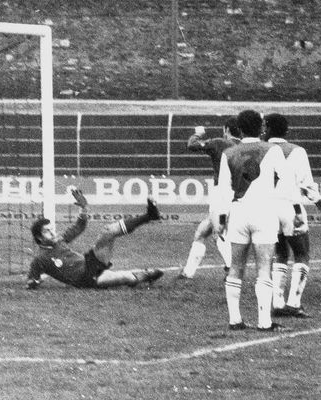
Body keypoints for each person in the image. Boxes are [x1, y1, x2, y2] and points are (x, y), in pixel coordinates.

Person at [216, 109, 287, 332]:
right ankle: (264, 321)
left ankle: (235, 319)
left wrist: (221, 218)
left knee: (235, 267)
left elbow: (223, 190)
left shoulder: (228, 153)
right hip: (264, 211)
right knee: (264, 267)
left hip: (238, 212)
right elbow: (285, 179)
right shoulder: (272, 150)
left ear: (239, 128)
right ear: (261, 127)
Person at [263, 113, 321, 319]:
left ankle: (277, 302)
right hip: (290, 207)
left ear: (266, 128)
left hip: (268, 208)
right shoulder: (297, 151)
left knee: (280, 253)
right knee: (302, 253)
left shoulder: (261, 149)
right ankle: (294, 303)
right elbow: (306, 183)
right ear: (286, 131)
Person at [27, 189, 164, 290]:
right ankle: (147, 275)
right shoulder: (40, 259)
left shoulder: (60, 240)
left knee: (108, 231)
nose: (52, 232)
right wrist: (34, 282)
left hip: (90, 262)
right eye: (47, 231)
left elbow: (79, 226)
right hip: (85, 280)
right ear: (39, 237)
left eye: (52, 229)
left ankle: (149, 215)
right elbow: (31, 282)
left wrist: (84, 208)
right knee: (124, 277)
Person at [179, 118, 241, 279]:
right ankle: (187, 273)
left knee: (217, 232)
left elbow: (192, 145)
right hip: (239, 192)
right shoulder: (245, 146)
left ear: (226, 129)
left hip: (221, 192)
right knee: (202, 231)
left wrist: (198, 134)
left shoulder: (220, 142)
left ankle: (230, 269)